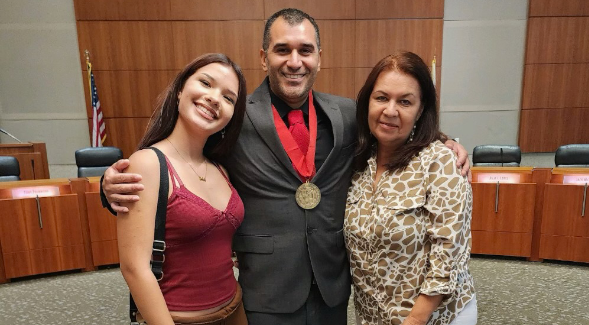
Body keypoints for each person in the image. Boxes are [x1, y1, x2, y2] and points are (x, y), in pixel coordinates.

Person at [101, 9, 471, 325]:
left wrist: (446, 141)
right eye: (283, 50)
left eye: (305, 50)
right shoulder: (232, 114)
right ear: (264, 57)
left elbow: (395, 125)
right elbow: (178, 161)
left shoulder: (346, 115)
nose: (295, 61)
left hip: (332, 289)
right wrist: (110, 184)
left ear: (319, 57)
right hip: (266, 290)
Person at [116, 53, 249, 325]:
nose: (214, 98)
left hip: (234, 309)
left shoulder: (221, 168)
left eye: (228, 98)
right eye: (206, 83)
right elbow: (133, 268)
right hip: (178, 318)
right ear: (179, 91)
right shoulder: (147, 163)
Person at [345, 51, 477, 325]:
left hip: (434, 318)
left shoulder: (440, 162)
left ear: (420, 109)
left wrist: (414, 321)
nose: (390, 110)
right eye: (381, 97)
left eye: (404, 101)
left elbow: (448, 257)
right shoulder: (357, 162)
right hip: (372, 316)